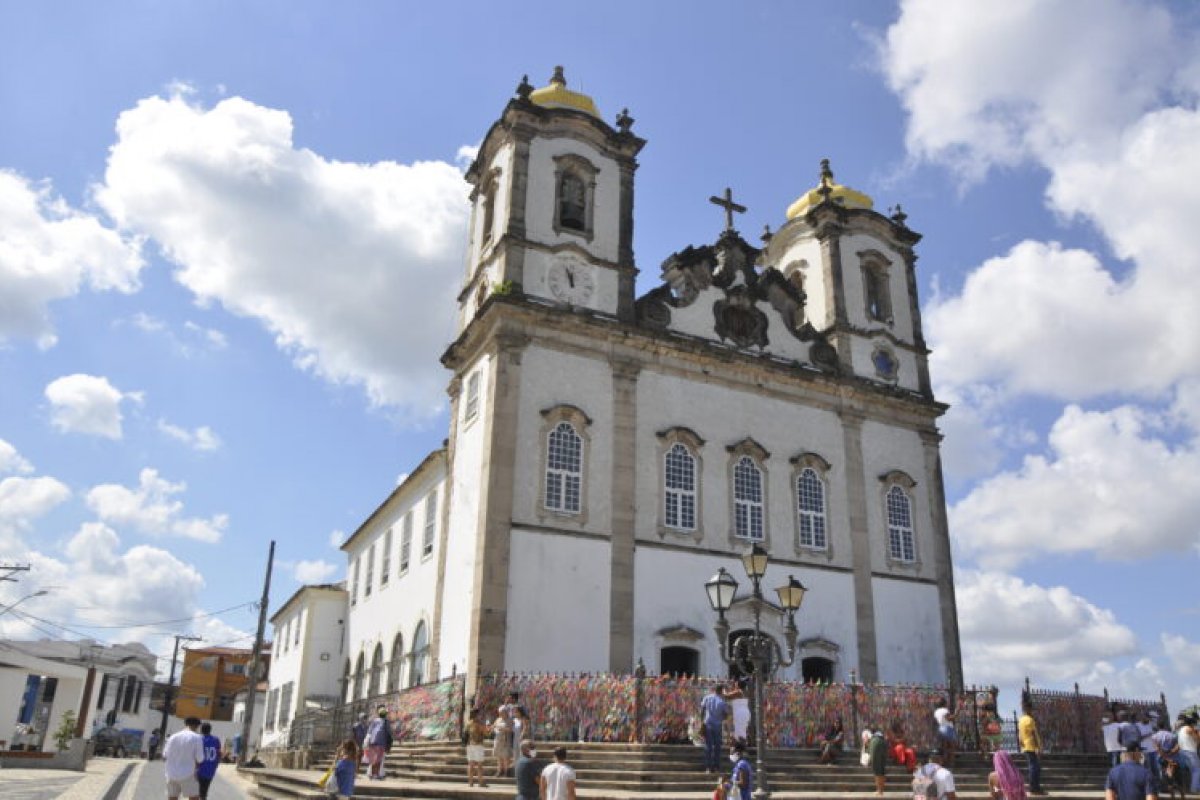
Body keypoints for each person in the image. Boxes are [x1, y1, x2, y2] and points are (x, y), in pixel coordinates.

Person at [163, 717, 205, 800]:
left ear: (185, 724)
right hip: (188, 773)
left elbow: (165, 755)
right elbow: (200, 759)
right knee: (194, 797)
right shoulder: (197, 737)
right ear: (197, 726)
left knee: (172, 797)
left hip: (171, 773)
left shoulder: (173, 737)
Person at [700, 684, 729, 773]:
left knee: (708, 746)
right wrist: (721, 718)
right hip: (717, 725)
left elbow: (702, 710)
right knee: (717, 746)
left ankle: (708, 767)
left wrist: (702, 721)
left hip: (708, 723)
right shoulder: (722, 701)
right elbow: (726, 714)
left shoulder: (707, 697)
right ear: (721, 691)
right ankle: (716, 767)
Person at [1019, 699, 1045, 795]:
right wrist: (1038, 747)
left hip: (1026, 745)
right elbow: (1033, 734)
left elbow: (1020, 734)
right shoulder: (1030, 720)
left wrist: (1021, 742)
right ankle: (1034, 788)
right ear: (1029, 708)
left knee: (1033, 766)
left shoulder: (1021, 720)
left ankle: (1034, 787)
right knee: (1035, 767)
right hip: (1032, 745)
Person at [363, 705, 393, 780]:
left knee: (373, 759)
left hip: (373, 743)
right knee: (378, 760)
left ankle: (372, 774)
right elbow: (389, 733)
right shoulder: (386, 722)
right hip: (381, 743)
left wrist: (366, 742)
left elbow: (369, 732)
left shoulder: (374, 721)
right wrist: (389, 744)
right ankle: (375, 775)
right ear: (385, 714)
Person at [196, 722, 222, 799]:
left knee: (197, 790)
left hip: (199, 769)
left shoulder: (199, 739)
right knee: (204, 790)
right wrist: (216, 765)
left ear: (201, 730)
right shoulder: (216, 739)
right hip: (211, 770)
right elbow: (219, 753)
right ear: (210, 730)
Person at [1176, 713, 1200, 794]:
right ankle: (1194, 789)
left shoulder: (1180, 730)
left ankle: (1196, 787)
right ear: (1192, 724)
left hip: (1182, 752)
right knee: (1197, 770)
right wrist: (1197, 733)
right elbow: (1198, 740)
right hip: (1190, 752)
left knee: (1192, 771)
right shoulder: (1189, 729)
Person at [465, 708, 488, 787]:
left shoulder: (468, 723)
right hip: (478, 745)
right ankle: (480, 782)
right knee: (479, 764)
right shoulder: (479, 723)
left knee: (471, 764)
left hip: (470, 744)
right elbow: (485, 733)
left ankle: (470, 782)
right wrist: (488, 728)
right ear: (477, 714)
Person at [934, 699, 958, 768]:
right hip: (948, 728)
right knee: (952, 747)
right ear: (944, 704)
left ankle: (944, 762)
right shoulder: (945, 710)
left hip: (941, 728)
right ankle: (951, 763)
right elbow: (949, 718)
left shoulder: (936, 712)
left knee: (944, 747)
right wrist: (956, 713)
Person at [493, 705, 514, 777]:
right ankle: (499, 770)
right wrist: (494, 728)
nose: (501, 714)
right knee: (499, 756)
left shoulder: (510, 720)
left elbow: (511, 729)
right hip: (498, 740)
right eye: (500, 712)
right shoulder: (498, 719)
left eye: (503, 712)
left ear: (506, 712)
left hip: (506, 740)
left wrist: (503, 729)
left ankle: (506, 771)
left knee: (505, 756)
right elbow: (494, 727)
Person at [866, 727, 887, 797]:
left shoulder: (872, 738)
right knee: (882, 771)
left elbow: (868, 747)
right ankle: (881, 790)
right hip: (882, 747)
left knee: (877, 772)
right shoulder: (881, 737)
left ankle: (879, 791)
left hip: (875, 747)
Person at [513, 705, 533, 770]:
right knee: (516, 755)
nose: (514, 713)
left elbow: (525, 728)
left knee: (525, 754)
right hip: (516, 739)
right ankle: (517, 769)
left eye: (516, 711)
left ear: (520, 712)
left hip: (523, 739)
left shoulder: (524, 718)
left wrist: (521, 736)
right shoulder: (514, 720)